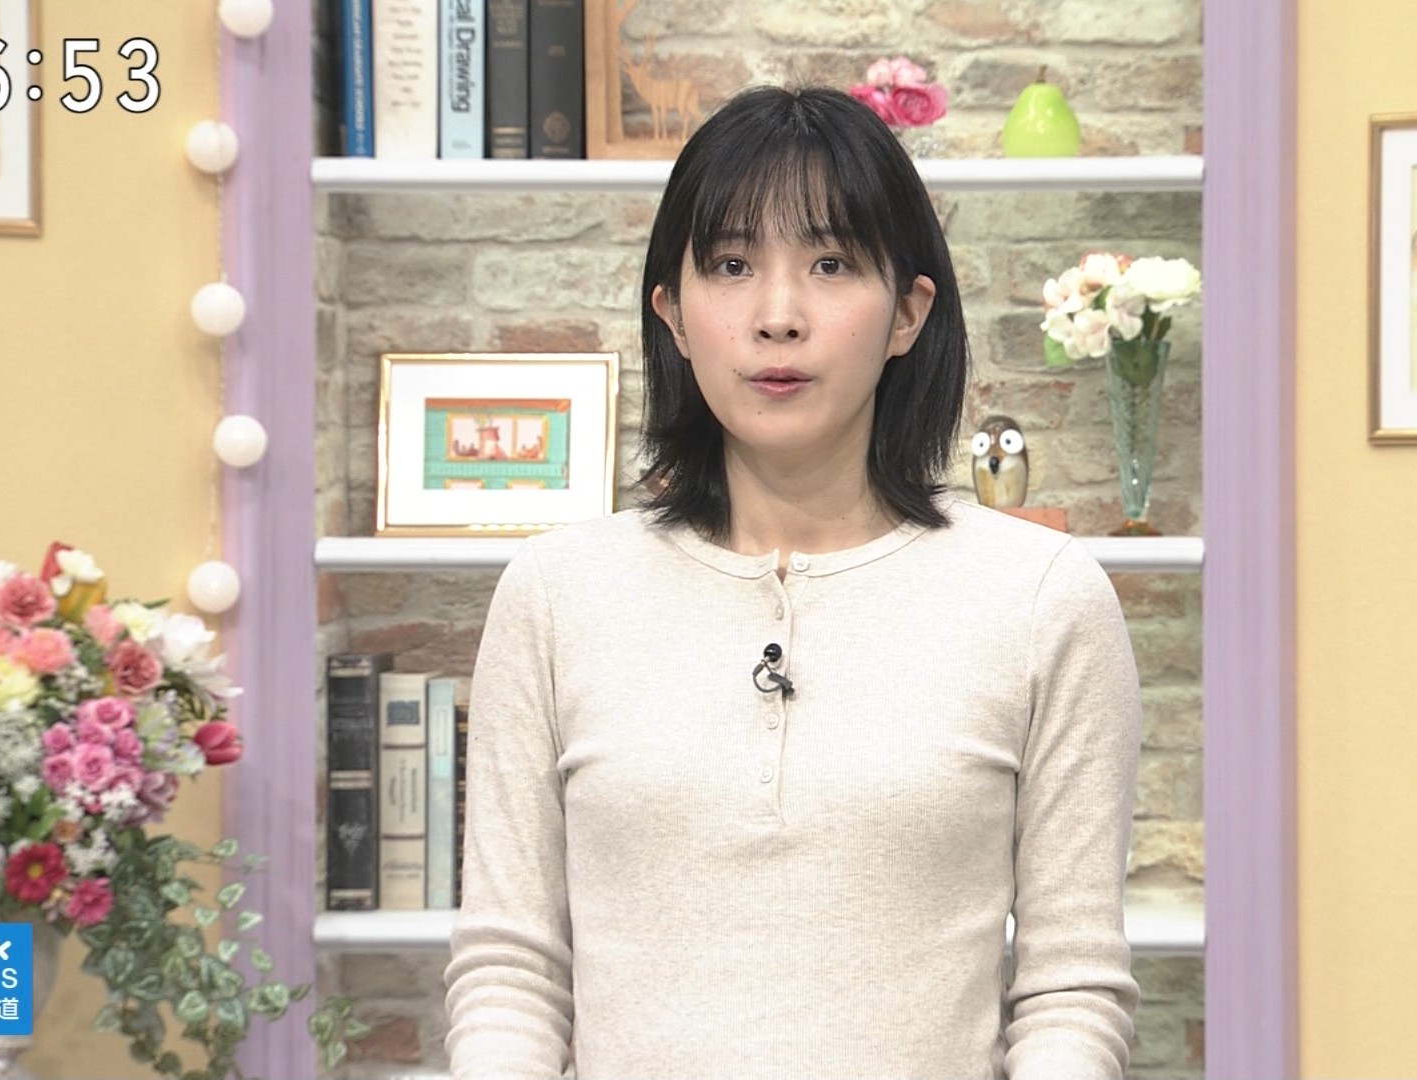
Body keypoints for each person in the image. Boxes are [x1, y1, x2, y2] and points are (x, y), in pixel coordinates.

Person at [443, 84, 1145, 1079]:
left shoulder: (1040, 596)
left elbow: (1070, 988)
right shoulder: (557, 592)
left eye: (831, 264)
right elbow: (510, 972)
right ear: (673, 315)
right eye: (732, 266)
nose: (778, 317)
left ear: (908, 313)